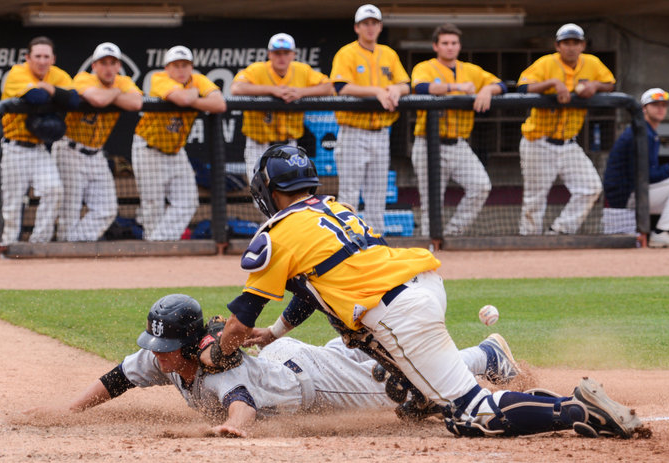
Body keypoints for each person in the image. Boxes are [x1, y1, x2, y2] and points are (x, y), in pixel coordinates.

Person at [205, 144, 644, 440]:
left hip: (397, 312)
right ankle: (424, 391)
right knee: (402, 377)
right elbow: (313, 289)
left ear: (266, 190)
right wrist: (276, 333)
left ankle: (578, 411)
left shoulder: (276, 232)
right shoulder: (335, 209)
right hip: (421, 285)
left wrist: (223, 352)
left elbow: (242, 317)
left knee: (472, 415)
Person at [25, 294, 522, 437]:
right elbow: (117, 378)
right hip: (288, 365)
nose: (155, 354)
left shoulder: (221, 370)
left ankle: (486, 356)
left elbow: (240, 404)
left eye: (164, 346)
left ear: (187, 341)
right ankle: (476, 358)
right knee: (403, 388)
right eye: (154, 346)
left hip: (317, 384)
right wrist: (69, 411)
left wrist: (233, 431)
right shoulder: (166, 355)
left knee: (402, 388)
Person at [516, 23, 616, 235]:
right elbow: (523, 87)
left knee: (591, 188)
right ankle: (530, 240)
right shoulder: (546, 63)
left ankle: (560, 231)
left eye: (576, 43)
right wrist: (553, 83)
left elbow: (609, 83)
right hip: (538, 141)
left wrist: (595, 86)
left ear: (583, 45)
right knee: (535, 197)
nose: (571, 47)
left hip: (569, 143)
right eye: (566, 43)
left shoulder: (592, 63)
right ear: (557, 45)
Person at [410, 24, 506, 236]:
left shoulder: (470, 70)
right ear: (436, 46)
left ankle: (452, 233)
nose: (450, 47)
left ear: (459, 45)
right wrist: (457, 88)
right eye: (445, 43)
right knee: (431, 200)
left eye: (454, 43)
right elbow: (421, 87)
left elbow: (502, 85)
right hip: (428, 143)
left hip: (458, 143)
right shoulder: (425, 67)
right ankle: (432, 245)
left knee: (481, 186)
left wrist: (488, 90)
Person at [329, 4, 410, 234]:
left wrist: (396, 89)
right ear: (357, 27)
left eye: (374, 23)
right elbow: (341, 87)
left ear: (380, 26)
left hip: (381, 133)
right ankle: (347, 240)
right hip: (354, 130)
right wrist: (377, 91)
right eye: (365, 23)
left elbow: (406, 84)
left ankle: (375, 241)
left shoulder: (389, 54)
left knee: (377, 192)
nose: (370, 27)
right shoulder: (347, 53)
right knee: (350, 192)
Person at [132, 46, 226, 241]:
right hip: (149, 148)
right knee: (152, 205)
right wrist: (195, 95)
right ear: (167, 68)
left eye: (185, 65)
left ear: (191, 67)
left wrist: (191, 97)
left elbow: (219, 104)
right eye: (176, 66)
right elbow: (182, 99)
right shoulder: (159, 79)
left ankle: (157, 243)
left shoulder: (198, 80)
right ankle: (154, 246)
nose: (181, 70)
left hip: (176, 150)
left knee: (188, 202)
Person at [54, 43, 143, 242]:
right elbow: (98, 100)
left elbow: (136, 102)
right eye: (103, 63)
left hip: (96, 155)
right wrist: (117, 93)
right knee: (69, 213)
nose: (108, 68)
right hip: (70, 150)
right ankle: (64, 254)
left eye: (113, 63)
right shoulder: (83, 78)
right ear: (94, 66)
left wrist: (112, 93)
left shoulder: (124, 80)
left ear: (119, 65)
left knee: (108, 209)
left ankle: (74, 246)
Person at [0, 36, 78, 249]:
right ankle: (8, 247)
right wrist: (53, 93)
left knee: (54, 189)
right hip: (14, 147)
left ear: (53, 58)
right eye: (37, 56)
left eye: (46, 56)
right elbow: (35, 97)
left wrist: (49, 88)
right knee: (13, 204)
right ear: (28, 58)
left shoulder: (58, 75)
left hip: (39, 149)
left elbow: (74, 100)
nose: (42, 61)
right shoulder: (17, 72)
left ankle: (39, 244)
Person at [231, 33, 333, 183]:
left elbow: (329, 87)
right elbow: (236, 88)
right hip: (259, 145)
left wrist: (301, 92)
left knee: (290, 189)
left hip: (289, 145)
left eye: (286, 53)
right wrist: (272, 90)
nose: (281, 57)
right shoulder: (257, 70)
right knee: (260, 193)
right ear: (269, 54)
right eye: (277, 53)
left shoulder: (302, 70)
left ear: (293, 54)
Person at [604, 88, 669, 248]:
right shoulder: (639, 133)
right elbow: (644, 176)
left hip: (637, 193)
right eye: (655, 104)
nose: (661, 108)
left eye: (664, 105)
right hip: (626, 196)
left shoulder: (648, 132)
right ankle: (664, 233)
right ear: (644, 108)